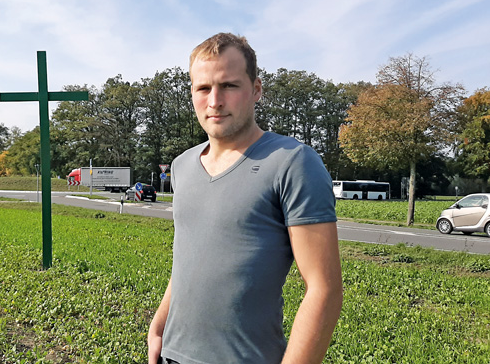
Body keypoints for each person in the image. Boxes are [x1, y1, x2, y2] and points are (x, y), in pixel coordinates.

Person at [147, 33, 343, 364]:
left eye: (230, 86)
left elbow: (324, 290)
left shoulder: (293, 162)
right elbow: (187, 263)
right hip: (170, 356)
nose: (215, 101)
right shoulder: (181, 166)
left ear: (256, 90)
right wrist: (158, 326)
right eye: (203, 88)